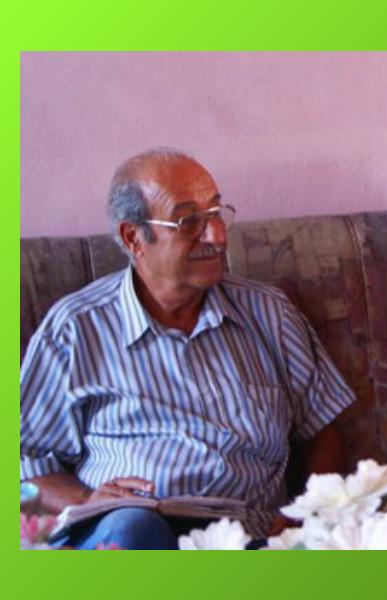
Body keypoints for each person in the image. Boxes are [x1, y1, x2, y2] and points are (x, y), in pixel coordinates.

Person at [20, 148, 355, 549]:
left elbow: (322, 433)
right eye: (188, 221)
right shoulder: (76, 328)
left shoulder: (269, 314)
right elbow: (24, 461)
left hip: (245, 535)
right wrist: (85, 500)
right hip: (132, 535)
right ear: (133, 237)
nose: (216, 236)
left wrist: (308, 512)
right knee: (133, 528)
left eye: (216, 213)